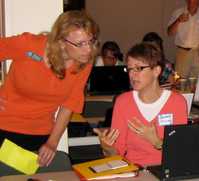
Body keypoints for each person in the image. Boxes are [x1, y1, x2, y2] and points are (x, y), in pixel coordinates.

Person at [0, 10, 99, 174]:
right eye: (80, 44)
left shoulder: (83, 64)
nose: (88, 50)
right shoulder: (29, 45)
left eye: (91, 41)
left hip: (39, 135)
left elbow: (69, 105)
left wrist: (52, 142)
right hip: (4, 123)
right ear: (61, 42)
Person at [94, 42, 188, 167]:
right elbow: (116, 156)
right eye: (130, 69)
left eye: (139, 68)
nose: (132, 74)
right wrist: (107, 148)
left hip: (166, 171)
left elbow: (181, 153)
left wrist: (156, 141)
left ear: (156, 71)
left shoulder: (177, 102)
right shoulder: (123, 102)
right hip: (134, 171)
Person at [167, 0, 199, 79]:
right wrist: (178, 20)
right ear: (187, 1)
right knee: (179, 80)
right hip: (183, 53)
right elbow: (169, 33)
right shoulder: (178, 13)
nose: (195, 2)